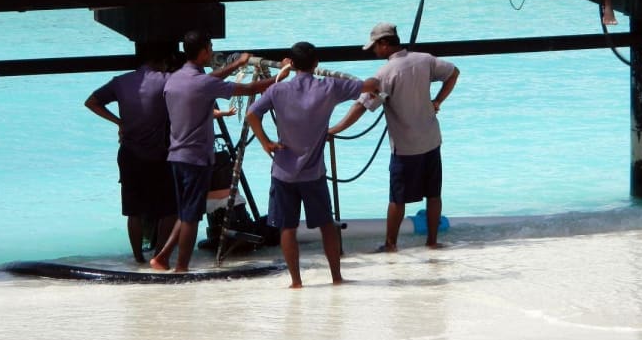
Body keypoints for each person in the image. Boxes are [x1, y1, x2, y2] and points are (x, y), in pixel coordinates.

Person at [150, 31, 289, 273]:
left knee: (185, 213)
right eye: (211, 47)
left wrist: (237, 64)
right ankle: (181, 268)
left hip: (176, 157)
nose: (212, 51)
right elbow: (249, 88)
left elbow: (209, 80)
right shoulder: (203, 84)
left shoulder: (174, 79)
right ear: (204, 51)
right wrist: (280, 76)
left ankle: (161, 257)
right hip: (196, 159)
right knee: (191, 218)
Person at [247, 42, 379, 288]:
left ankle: (296, 282)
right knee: (326, 226)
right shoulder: (329, 87)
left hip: (283, 172)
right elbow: (369, 86)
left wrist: (266, 142)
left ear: (291, 63)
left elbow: (252, 114)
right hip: (313, 173)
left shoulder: (277, 90)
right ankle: (336, 277)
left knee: (287, 228)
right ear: (316, 63)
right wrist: (376, 80)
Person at [329, 23, 459, 252]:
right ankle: (432, 241)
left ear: (384, 43)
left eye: (375, 47)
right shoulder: (424, 59)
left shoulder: (385, 73)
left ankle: (391, 244)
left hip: (405, 147)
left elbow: (361, 106)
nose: (373, 51)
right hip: (431, 139)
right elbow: (453, 72)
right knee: (433, 194)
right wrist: (437, 101)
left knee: (397, 199)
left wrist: (334, 129)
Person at [84, 42, 178, 263]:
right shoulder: (167, 80)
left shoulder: (120, 81)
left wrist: (119, 122)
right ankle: (159, 256)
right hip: (159, 155)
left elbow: (91, 102)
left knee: (133, 210)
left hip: (129, 153)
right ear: (162, 62)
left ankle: (137, 258)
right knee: (169, 209)